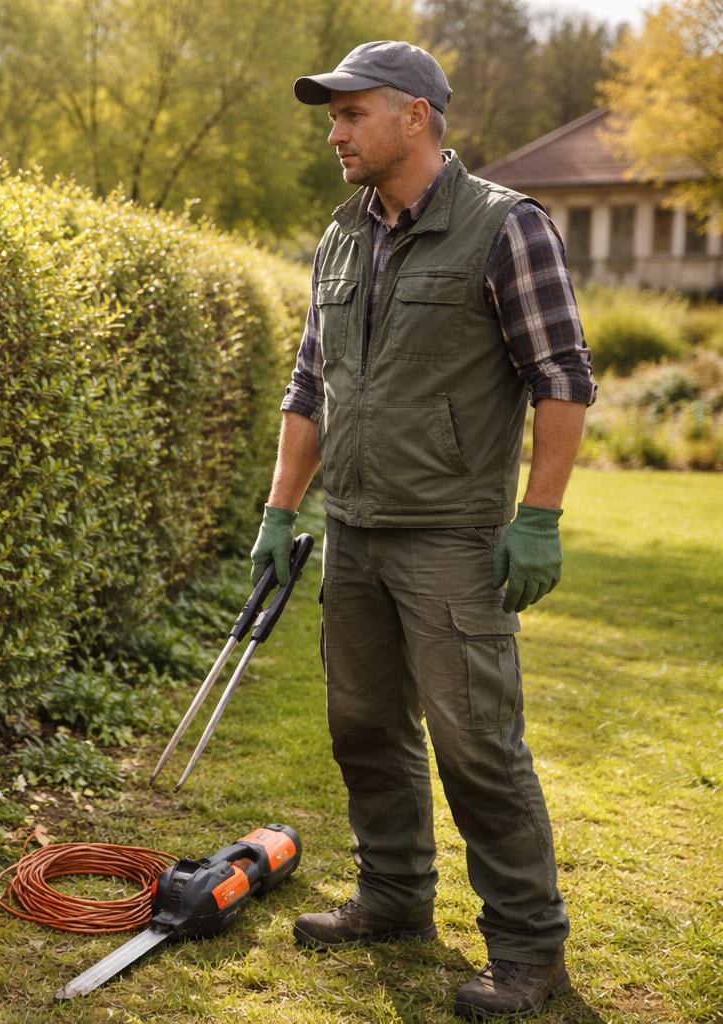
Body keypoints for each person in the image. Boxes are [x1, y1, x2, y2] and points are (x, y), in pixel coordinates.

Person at [248, 41, 596, 1019]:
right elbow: (309, 386)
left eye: (350, 113)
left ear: (414, 115)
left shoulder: (506, 226)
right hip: (354, 532)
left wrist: (539, 516)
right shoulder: (340, 239)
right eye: (333, 116)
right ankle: (394, 895)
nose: (334, 133)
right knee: (362, 727)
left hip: (451, 536)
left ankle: (528, 950)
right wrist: (280, 509)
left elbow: (561, 375)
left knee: (477, 744)